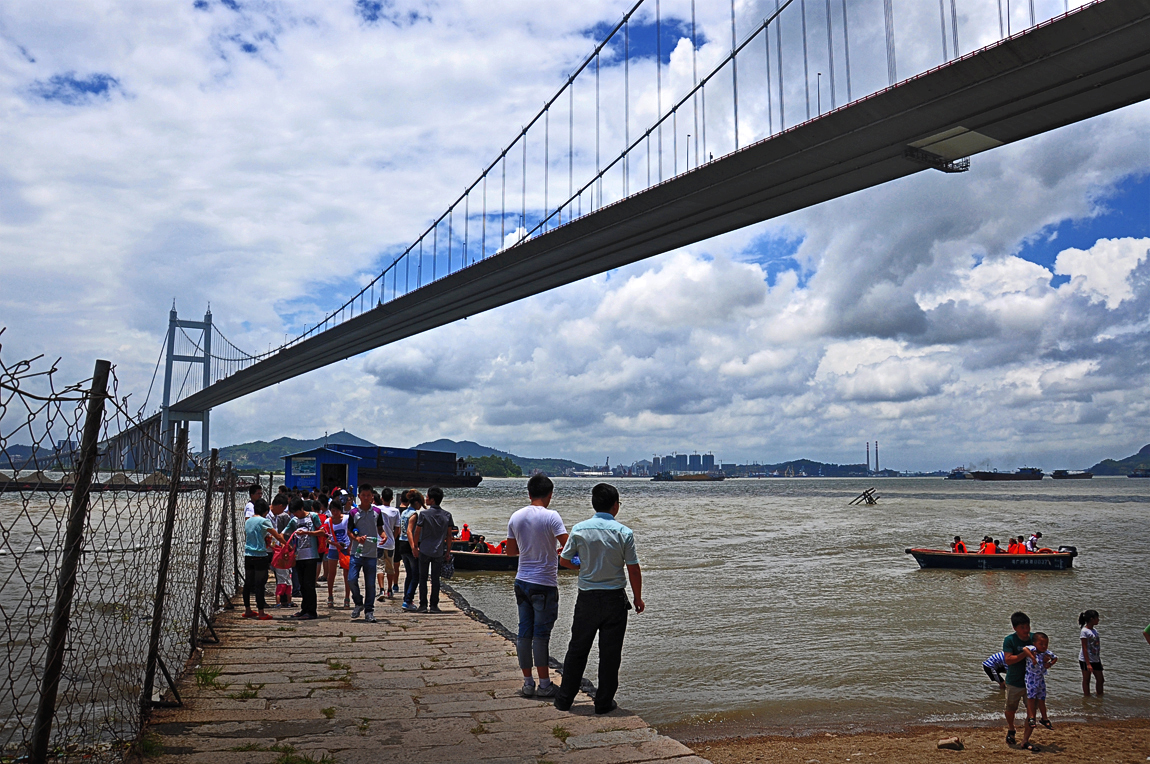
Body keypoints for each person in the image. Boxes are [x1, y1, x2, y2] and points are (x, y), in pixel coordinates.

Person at [554, 483, 644, 715]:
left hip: (587, 598)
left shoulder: (580, 529)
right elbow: (633, 569)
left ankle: (564, 700)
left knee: (577, 649)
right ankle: (603, 703)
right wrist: (638, 598)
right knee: (610, 653)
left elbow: (564, 561)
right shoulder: (624, 532)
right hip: (615, 599)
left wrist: (581, 564)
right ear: (615, 506)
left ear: (594, 504)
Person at [507, 474, 568, 698]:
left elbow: (511, 552)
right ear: (550, 494)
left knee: (524, 633)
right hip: (544, 582)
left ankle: (527, 683)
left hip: (522, 580)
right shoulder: (552, 517)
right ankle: (544, 684)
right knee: (541, 636)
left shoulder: (516, 517)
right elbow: (568, 546)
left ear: (529, 493)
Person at [411, 486, 453, 614]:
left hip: (424, 550)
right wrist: (448, 552)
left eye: (428, 497)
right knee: (436, 579)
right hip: (438, 551)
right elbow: (449, 536)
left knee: (422, 578)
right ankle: (434, 605)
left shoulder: (423, 514)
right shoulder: (447, 515)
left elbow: (417, 532)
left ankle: (423, 605)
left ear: (433, 500)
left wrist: (415, 547)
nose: (426, 499)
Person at [347, 484, 385, 623]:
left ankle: (369, 610)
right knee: (351, 579)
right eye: (363, 495)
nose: (366, 498)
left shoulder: (377, 512)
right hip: (356, 552)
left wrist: (384, 535)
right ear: (359, 496)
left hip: (371, 553)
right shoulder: (353, 513)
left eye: (368, 495)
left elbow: (380, 528)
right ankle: (358, 602)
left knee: (370, 583)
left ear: (372, 497)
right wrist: (356, 538)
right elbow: (349, 531)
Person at [284, 498, 326, 619]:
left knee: (309, 584)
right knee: (302, 584)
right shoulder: (293, 521)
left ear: (302, 508)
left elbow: (322, 532)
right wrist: (284, 544)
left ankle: (312, 611)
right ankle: (304, 609)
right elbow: (285, 533)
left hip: (311, 555)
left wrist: (307, 533)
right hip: (298, 556)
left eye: (296, 512)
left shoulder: (312, 516)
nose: (295, 514)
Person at [242, 499, 284, 620]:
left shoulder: (248, 521)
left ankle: (248, 610)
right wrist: (287, 545)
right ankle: (261, 612)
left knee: (248, 583)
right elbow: (276, 535)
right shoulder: (264, 521)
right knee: (260, 584)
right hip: (260, 555)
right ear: (266, 511)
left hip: (248, 554)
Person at [1002, 611, 1034, 747]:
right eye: (1022, 627)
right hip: (1014, 682)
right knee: (1010, 710)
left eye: (1027, 626)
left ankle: (1025, 740)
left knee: (1031, 714)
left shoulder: (1035, 638)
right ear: (1015, 628)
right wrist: (1025, 654)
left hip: (1032, 683)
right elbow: (1008, 660)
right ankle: (1011, 728)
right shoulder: (1010, 640)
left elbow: (1043, 653)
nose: (1026, 630)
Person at [1021, 632, 1057, 744]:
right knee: (1031, 699)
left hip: (1040, 678)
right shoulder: (1032, 649)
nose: (1043, 646)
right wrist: (1032, 657)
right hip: (1031, 678)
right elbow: (1024, 649)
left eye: (1045, 644)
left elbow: (1055, 658)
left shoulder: (1046, 652)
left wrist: (1049, 664)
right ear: (1035, 643)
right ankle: (1031, 718)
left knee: (1042, 699)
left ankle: (1044, 718)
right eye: (1041, 644)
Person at [323, 496, 351, 608]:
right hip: (333, 549)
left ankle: (347, 597)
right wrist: (335, 544)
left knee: (347, 574)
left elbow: (351, 533)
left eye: (336, 510)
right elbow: (325, 538)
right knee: (331, 574)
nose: (334, 513)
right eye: (332, 510)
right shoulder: (328, 521)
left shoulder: (347, 519)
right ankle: (330, 596)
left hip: (346, 549)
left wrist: (349, 546)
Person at [399, 491, 422, 611]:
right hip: (409, 544)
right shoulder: (413, 514)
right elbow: (409, 531)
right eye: (420, 504)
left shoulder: (404, 513)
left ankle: (406, 599)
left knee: (409, 574)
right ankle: (408, 600)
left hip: (401, 543)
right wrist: (414, 547)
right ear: (416, 502)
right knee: (415, 575)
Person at [376, 488, 400, 601]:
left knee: (379, 567)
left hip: (379, 542)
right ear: (392, 498)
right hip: (390, 543)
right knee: (390, 568)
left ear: (381, 498)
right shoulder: (395, 511)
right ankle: (390, 590)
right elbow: (398, 529)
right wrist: (392, 539)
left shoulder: (376, 509)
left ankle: (381, 589)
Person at [269, 493, 293, 608]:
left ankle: (283, 601)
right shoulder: (268, 516)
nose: (283, 511)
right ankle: (281, 601)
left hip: (276, 549)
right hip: (269, 549)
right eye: (283, 508)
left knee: (281, 580)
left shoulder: (277, 517)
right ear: (279, 506)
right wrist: (285, 544)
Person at [1079, 609, 1103, 696]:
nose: (1098, 620)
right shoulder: (1084, 631)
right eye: (1097, 618)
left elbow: (1096, 647)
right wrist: (1088, 663)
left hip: (1096, 659)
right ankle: (1087, 697)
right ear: (1092, 619)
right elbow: (1084, 648)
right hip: (1086, 660)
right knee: (1086, 680)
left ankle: (1100, 698)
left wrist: (1098, 659)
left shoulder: (1095, 630)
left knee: (1100, 680)